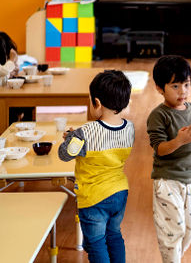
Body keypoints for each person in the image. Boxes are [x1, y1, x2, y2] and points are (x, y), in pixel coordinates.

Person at [146, 55, 191, 262]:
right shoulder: (159, 115)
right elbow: (159, 148)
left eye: (186, 85)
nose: (183, 92)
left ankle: (175, 258)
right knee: (171, 233)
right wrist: (179, 140)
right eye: (175, 86)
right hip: (168, 181)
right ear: (160, 89)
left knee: (190, 228)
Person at [58, 70, 134, 263]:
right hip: (119, 192)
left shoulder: (85, 132)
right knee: (114, 235)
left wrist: (70, 138)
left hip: (93, 197)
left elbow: (65, 154)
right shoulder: (130, 128)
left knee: (96, 243)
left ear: (97, 103)